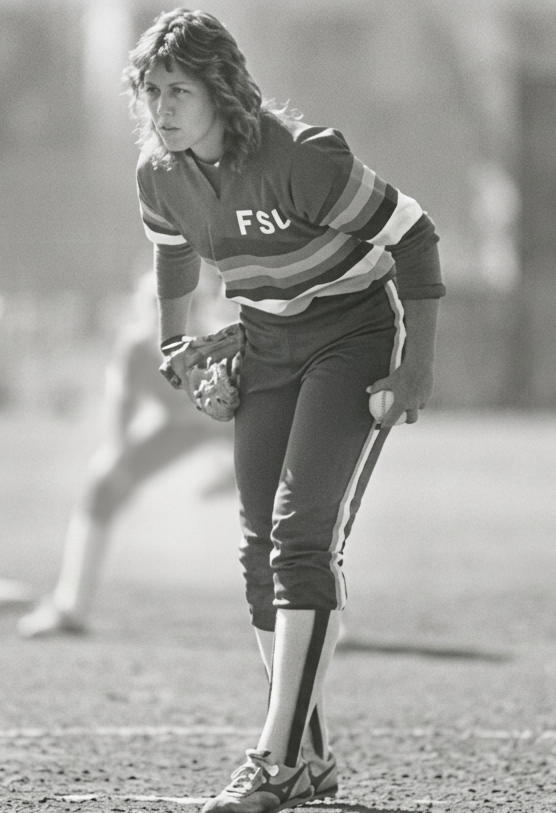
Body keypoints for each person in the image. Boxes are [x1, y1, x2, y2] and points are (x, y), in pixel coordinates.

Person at [124, 8, 445, 813]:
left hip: (353, 337)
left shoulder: (299, 159)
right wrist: (175, 345)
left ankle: (272, 760)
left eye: (178, 91)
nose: (161, 109)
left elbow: (415, 234)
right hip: (267, 344)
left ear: (220, 90)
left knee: (301, 538)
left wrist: (415, 369)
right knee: (259, 550)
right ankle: (308, 757)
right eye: (151, 91)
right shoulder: (160, 176)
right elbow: (171, 254)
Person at [17, 270, 235, 638]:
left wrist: (235, 467)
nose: (170, 314)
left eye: (188, 304)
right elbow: (122, 406)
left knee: (287, 507)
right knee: (101, 484)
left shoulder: (224, 340)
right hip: (179, 428)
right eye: (157, 304)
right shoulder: (135, 346)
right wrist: (119, 456)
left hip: (230, 426)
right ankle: (71, 606)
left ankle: (314, 619)